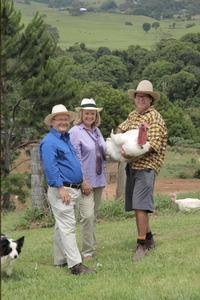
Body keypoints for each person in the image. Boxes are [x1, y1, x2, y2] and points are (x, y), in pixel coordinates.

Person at [40, 104, 94, 275]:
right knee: (68, 226)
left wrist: (82, 179)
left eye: (65, 119)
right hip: (62, 189)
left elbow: (73, 163)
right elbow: (50, 167)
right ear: (52, 122)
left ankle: (60, 260)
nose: (63, 122)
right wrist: (60, 188)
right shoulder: (49, 141)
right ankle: (76, 265)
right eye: (59, 119)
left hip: (72, 188)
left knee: (61, 226)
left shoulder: (65, 138)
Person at [117, 80, 168, 261]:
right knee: (137, 206)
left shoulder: (155, 118)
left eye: (144, 97)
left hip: (147, 167)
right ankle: (150, 238)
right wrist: (121, 140)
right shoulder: (133, 116)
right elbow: (121, 129)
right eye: (138, 96)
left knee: (140, 205)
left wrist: (128, 152)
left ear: (150, 100)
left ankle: (141, 245)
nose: (140, 99)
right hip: (132, 166)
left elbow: (151, 146)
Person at [69, 98, 106, 261]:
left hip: (99, 179)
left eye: (92, 113)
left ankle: (91, 246)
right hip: (85, 181)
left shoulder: (97, 131)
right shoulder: (75, 131)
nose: (89, 116)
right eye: (87, 113)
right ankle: (87, 252)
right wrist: (82, 180)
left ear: (96, 115)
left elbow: (104, 151)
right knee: (87, 216)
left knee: (93, 216)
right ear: (81, 114)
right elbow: (75, 158)